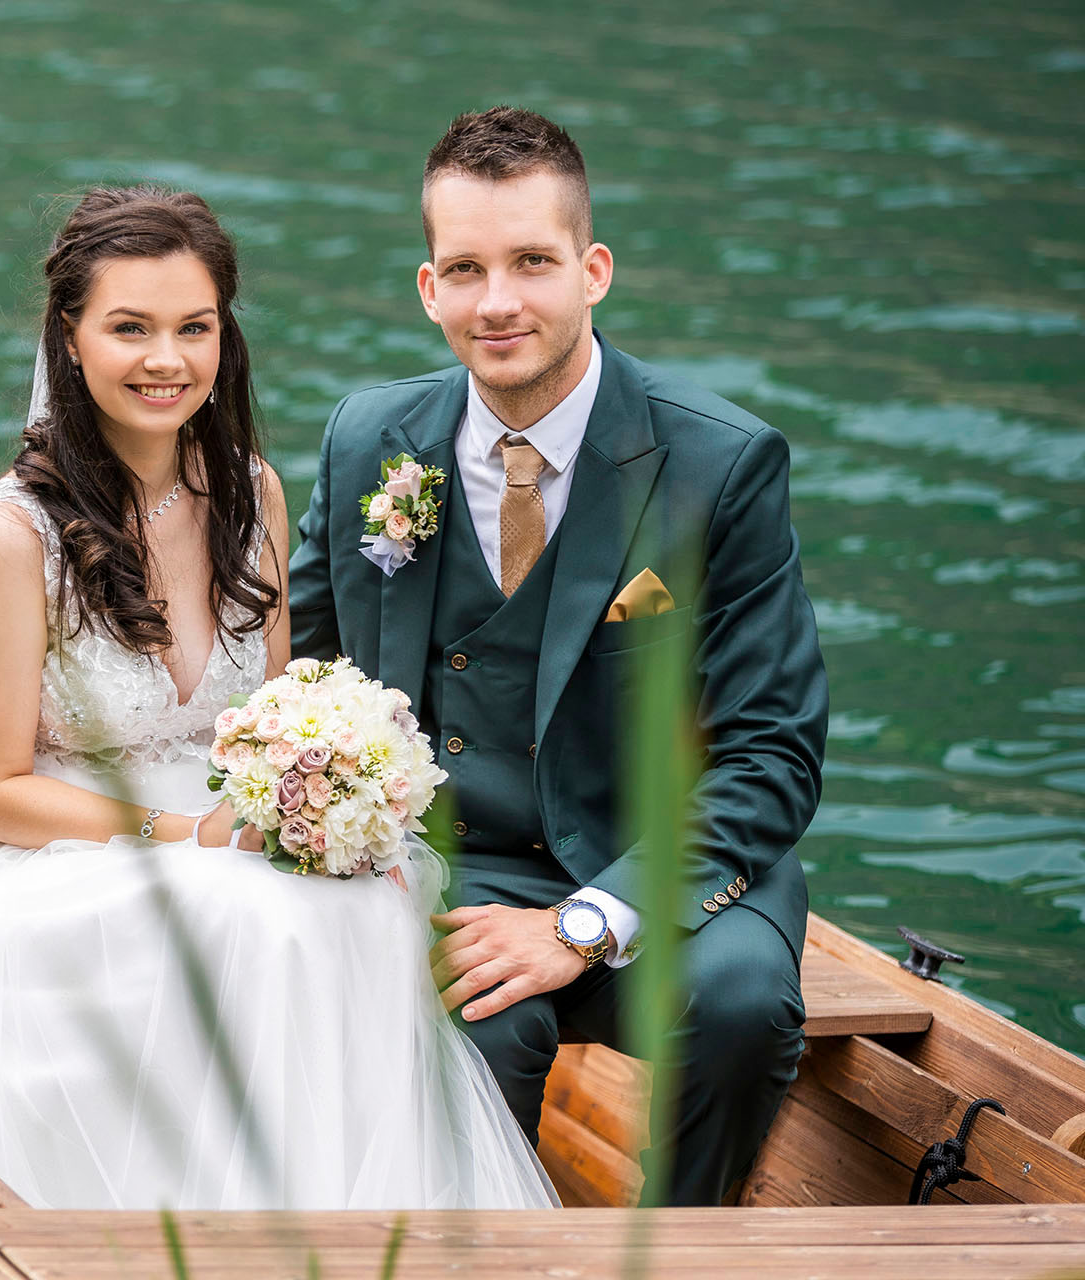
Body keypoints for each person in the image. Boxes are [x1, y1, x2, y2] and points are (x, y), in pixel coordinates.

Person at [0, 185, 555, 1211]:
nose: (167, 359)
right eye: (129, 327)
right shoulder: (10, 535)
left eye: (194, 326)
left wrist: (320, 805)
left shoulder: (250, 492)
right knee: (250, 917)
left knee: (360, 909)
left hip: (221, 810)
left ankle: (330, 1224)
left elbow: (267, 716)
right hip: (51, 841)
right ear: (70, 338)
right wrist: (191, 836)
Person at [288, 106, 827, 1206]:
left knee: (742, 1008)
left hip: (665, 857)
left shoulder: (722, 465)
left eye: (532, 262)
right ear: (429, 289)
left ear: (593, 271)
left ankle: (681, 1247)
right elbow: (303, 675)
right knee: (469, 1022)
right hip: (457, 863)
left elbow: (772, 754)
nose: (499, 301)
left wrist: (583, 925)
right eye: (466, 268)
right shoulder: (366, 442)